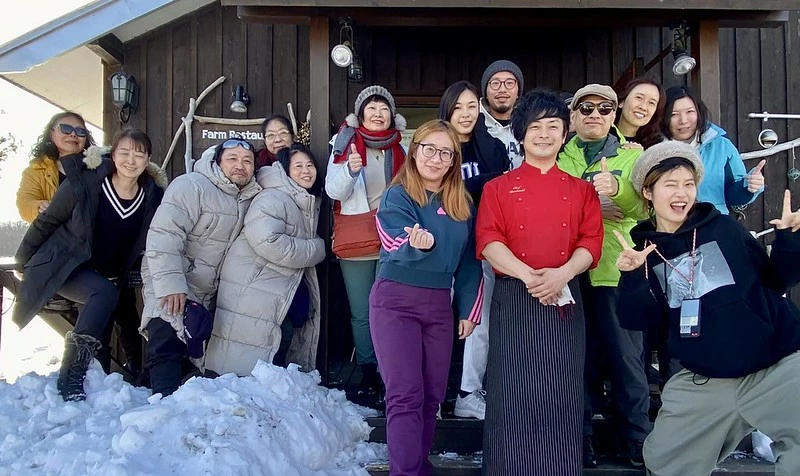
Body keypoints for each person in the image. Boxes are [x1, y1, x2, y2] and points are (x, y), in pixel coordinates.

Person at [617, 140, 800, 476]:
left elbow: (777, 280)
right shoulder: (643, 253)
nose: (681, 193)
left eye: (688, 184)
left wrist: (789, 239)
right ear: (647, 191)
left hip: (775, 366)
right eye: (670, 184)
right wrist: (630, 276)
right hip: (705, 380)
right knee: (663, 463)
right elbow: (636, 319)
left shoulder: (723, 228)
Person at [477, 90, 604, 475]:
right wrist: (528, 275)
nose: (545, 134)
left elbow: (591, 242)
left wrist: (561, 274)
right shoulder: (497, 188)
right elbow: (488, 240)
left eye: (553, 126)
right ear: (520, 134)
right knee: (510, 392)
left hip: (565, 296)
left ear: (565, 134)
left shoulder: (582, 190)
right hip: (515, 298)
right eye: (535, 126)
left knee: (560, 392)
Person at [14, 129, 166, 401]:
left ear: (149, 159)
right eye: (124, 152)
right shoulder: (84, 185)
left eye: (139, 154)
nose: (131, 160)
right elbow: (47, 222)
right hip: (67, 266)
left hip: (110, 274)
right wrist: (23, 261)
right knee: (103, 293)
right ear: (112, 154)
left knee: (113, 312)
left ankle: (100, 383)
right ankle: (71, 376)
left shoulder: (152, 195)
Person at [370, 119, 483, 475]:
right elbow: (392, 241)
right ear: (415, 151)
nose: (436, 158)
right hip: (395, 301)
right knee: (405, 394)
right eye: (429, 149)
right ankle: (405, 471)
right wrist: (415, 244)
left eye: (445, 153)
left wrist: (468, 309)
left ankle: (418, 465)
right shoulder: (397, 194)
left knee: (432, 396)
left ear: (453, 160)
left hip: (439, 305)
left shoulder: (461, 202)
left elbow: (469, 261)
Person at [558, 83, 652, 468]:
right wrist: (596, 205)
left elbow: (646, 210)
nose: (595, 114)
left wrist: (620, 192)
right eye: (586, 107)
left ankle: (635, 440)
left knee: (627, 360)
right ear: (574, 114)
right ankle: (581, 441)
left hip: (617, 270)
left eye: (604, 108)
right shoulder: (559, 155)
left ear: (614, 115)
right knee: (576, 361)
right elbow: (554, 207)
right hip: (571, 272)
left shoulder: (634, 157)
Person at [141, 139, 261, 397]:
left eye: (247, 161)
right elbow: (164, 235)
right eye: (232, 158)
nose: (240, 165)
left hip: (207, 289)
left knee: (192, 352)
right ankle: (162, 409)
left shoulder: (248, 198)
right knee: (166, 334)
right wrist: (172, 284)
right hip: (173, 274)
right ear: (218, 161)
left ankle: (147, 393)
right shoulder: (192, 185)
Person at [206, 143, 325, 375]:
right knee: (254, 349)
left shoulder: (302, 201)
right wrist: (316, 249)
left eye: (310, 165)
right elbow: (268, 242)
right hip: (252, 284)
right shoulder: (274, 196)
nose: (306, 171)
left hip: (267, 285)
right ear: (285, 172)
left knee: (281, 334)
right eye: (298, 166)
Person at [326, 85, 407, 405]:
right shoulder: (344, 143)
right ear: (360, 115)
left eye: (383, 108)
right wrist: (349, 169)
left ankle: (392, 369)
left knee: (391, 309)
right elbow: (334, 191)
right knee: (362, 311)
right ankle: (368, 371)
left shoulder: (401, 149)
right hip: (357, 240)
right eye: (371, 108)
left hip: (393, 239)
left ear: (392, 115)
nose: (377, 113)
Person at [438, 80, 510, 420]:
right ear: (447, 110)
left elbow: (504, 191)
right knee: (436, 319)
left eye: (471, 106)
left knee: (479, 322)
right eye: (458, 107)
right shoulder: (437, 146)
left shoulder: (492, 146)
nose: (465, 114)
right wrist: (482, 183)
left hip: (481, 245)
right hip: (441, 246)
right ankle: (433, 394)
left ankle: (468, 393)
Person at [661, 85, 765, 215]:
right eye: (674, 114)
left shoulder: (721, 146)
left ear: (699, 112)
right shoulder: (653, 148)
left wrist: (749, 186)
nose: (683, 120)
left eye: (690, 112)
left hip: (713, 226)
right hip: (667, 228)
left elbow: (733, 196)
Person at [16, 111, 95, 223]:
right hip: (53, 237)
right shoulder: (36, 170)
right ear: (51, 133)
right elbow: (25, 203)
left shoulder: (97, 169)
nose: (73, 134)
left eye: (80, 131)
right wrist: (39, 206)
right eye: (66, 128)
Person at [479, 60, 525, 168]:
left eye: (510, 83)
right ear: (485, 91)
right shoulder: (475, 126)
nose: (502, 89)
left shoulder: (530, 125)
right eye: (495, 83)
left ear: (518, 91)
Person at [614, 78, 665, 149]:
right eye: (639, 98)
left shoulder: (656, 148)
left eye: (651, 103)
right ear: (621, 102)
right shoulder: (600, 137)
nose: (643, 107)